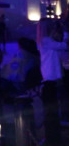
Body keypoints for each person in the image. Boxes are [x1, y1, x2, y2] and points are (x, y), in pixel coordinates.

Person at [37, 18, 68, 146]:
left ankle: (53, 137)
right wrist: (65, 32)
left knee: (52, 110)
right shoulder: (46, 41)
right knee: (51, 111)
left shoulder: (44, 40)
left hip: (49, 78)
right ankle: (52, 138)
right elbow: (64, 46)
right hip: (50, 79)